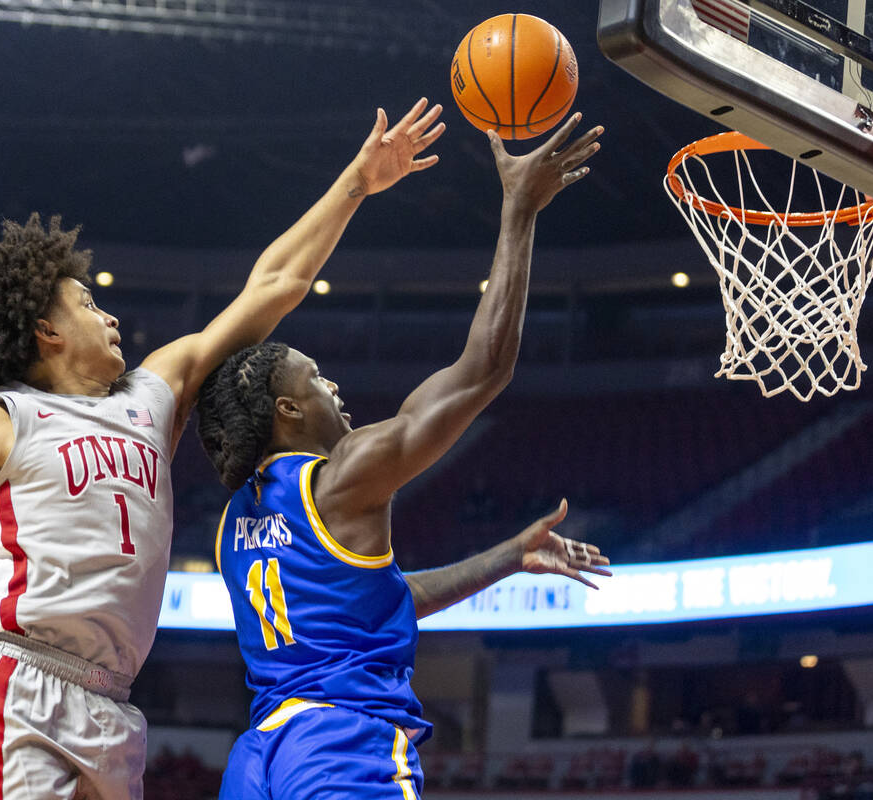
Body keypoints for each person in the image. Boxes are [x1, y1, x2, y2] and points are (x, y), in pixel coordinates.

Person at [0, 98, 446, 799]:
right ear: (46, 331)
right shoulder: (1, 423)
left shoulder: (155, 395)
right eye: (88, 304)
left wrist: (356, 184)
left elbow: (275, 285)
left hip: (114, 705)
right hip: (16, 681)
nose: (110, 312)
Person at [195, 114, 608, 799]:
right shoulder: (342, 476)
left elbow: (377, 602)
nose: (335, 390)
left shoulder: (236, 519)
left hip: (260, 755)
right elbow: (483, 372)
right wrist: (519, 213)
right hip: (342, 746)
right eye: (318, 380)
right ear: (287, 412)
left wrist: (506, 558)